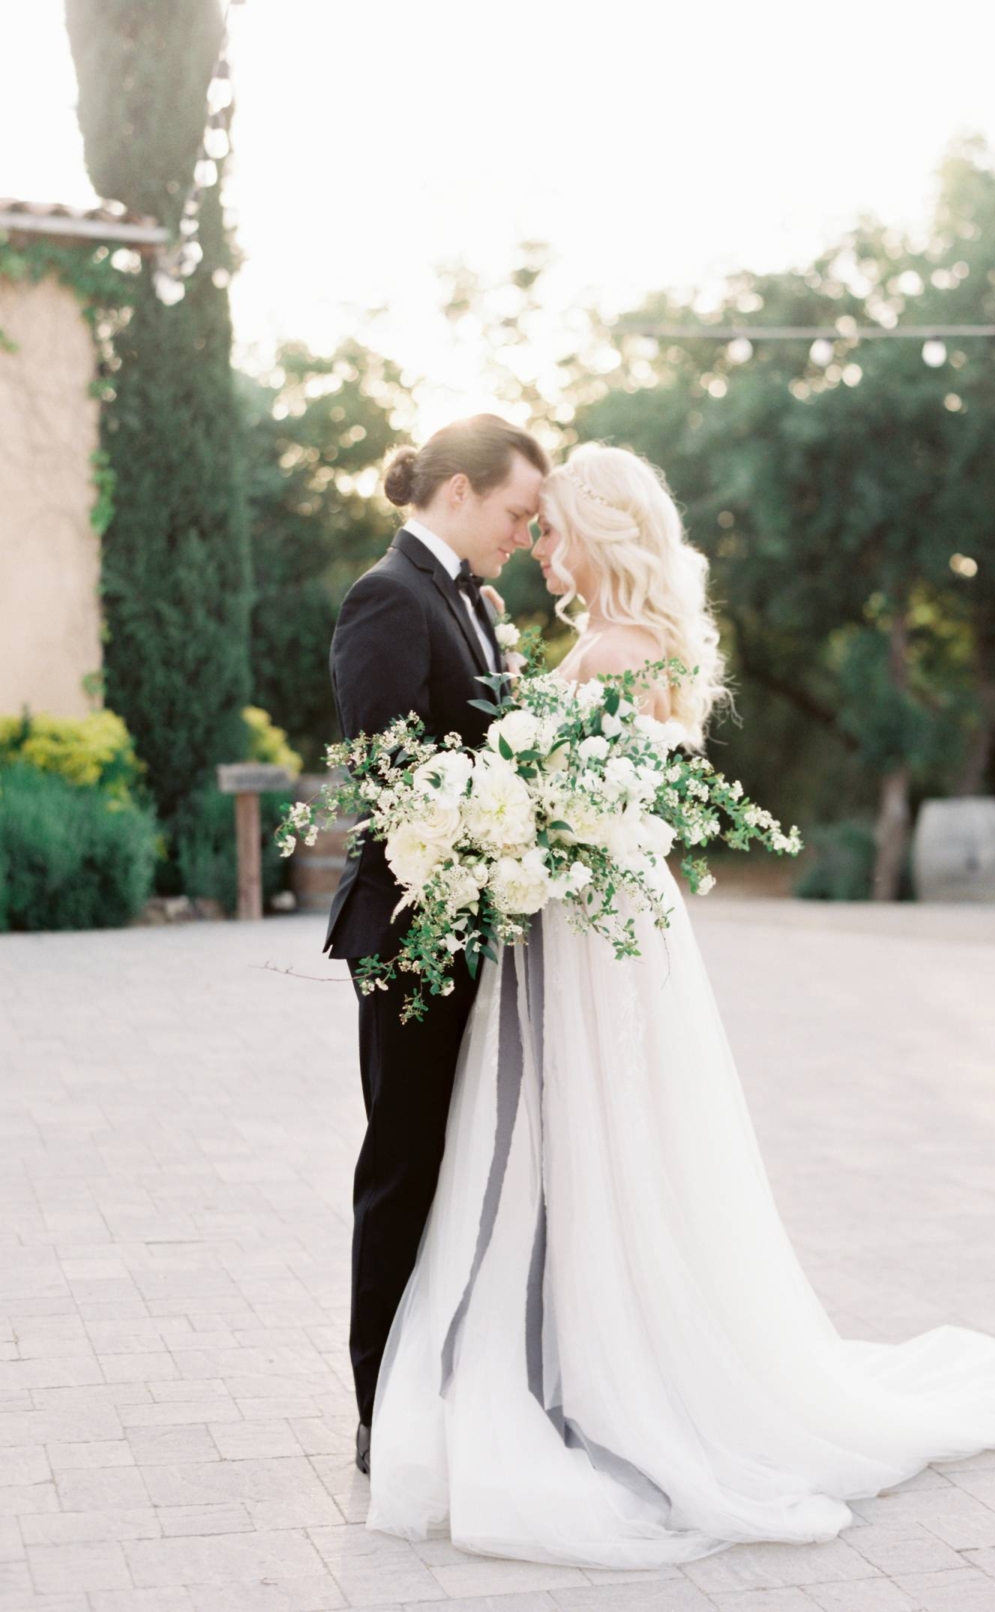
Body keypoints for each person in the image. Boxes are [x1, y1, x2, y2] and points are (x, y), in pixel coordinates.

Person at [364, 441, 995, 1568]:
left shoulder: (605, 656)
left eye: (555, 527)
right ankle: (610, 1356)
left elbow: (556, 794)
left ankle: (602, 1377)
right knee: (627, 1151)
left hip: (591, 927)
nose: (541, 544)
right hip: (624, 920)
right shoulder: (654, 648)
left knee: (594, 1149)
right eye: (531, 524)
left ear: (597, 533)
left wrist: (499, 814)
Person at [324, 414, 547, 1476]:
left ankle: (447, 1377)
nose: (522, 533)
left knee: (453, 1158)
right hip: (410, 932)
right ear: (458, 491)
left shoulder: (466, 598)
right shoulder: (390, 595)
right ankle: (380, 1408)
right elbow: (385, 770)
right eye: (515, 513)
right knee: (404, 1160)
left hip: (466, 919)